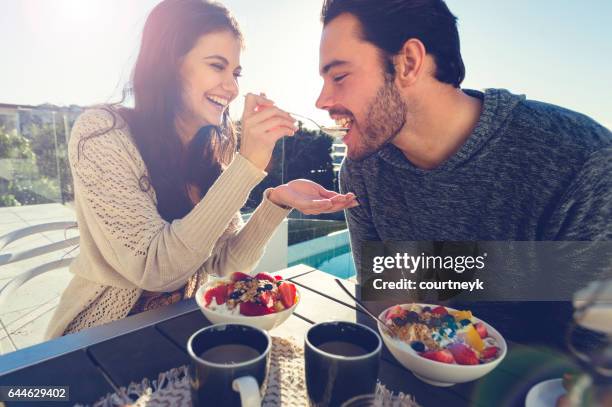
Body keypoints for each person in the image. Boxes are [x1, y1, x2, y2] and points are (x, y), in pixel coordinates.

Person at [45, 0, 357, 339]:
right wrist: (247, 164)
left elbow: (225, 265)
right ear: (170, 65)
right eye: (217, 66)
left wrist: (276, 203)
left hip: (178, 331)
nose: (233, 87)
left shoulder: (210, 149)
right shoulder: (101, 133)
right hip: (98, 339)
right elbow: (157, 270)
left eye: (235, 73)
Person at [315, 0, 612, 283]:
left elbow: (594, 333)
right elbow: (384, 303)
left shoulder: (583, 162)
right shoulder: (363, 172)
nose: (322, 101)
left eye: (339, 76)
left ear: (408, 62)